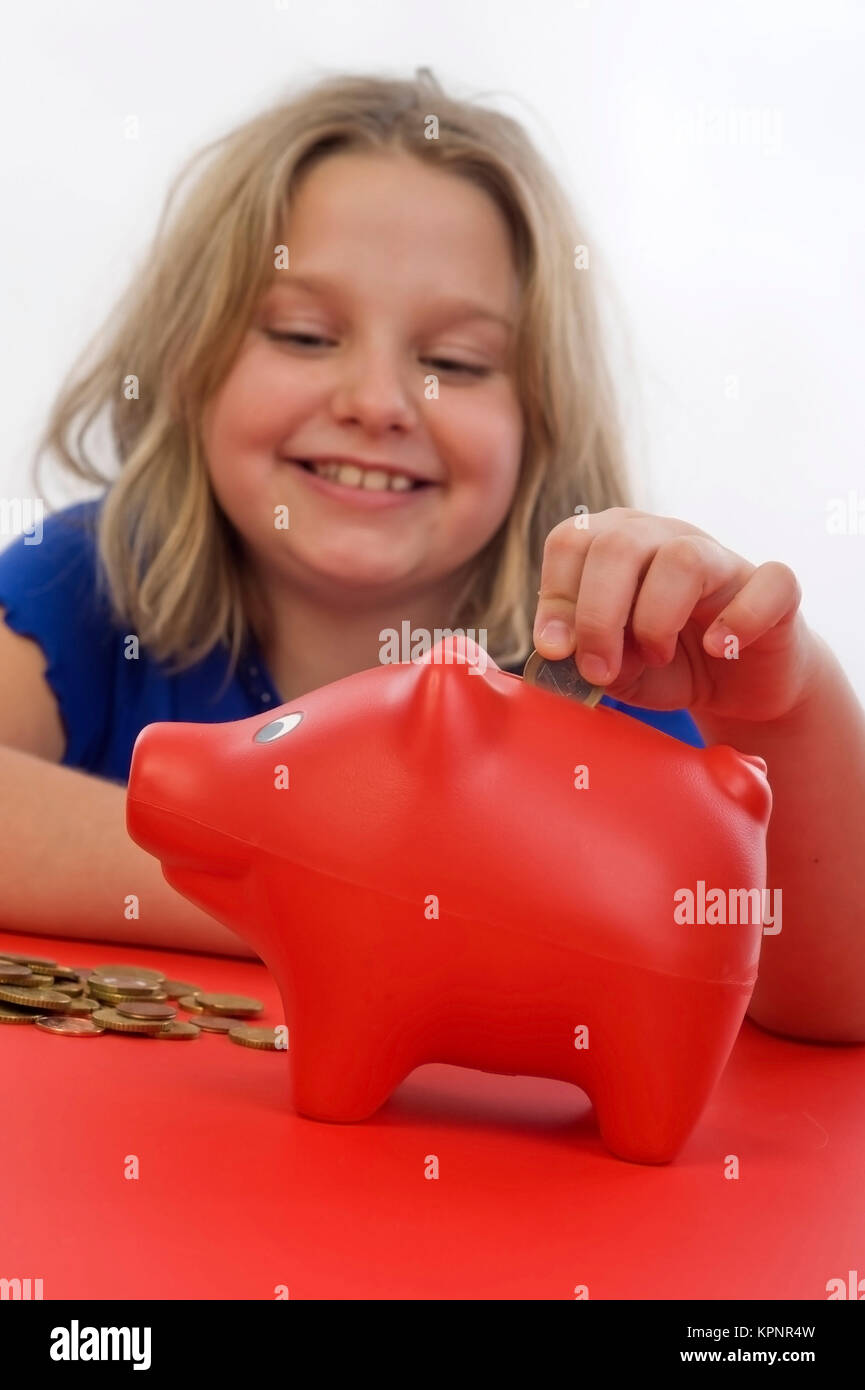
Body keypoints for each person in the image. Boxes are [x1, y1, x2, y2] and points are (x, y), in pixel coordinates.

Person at [0, 71, 862, 1042]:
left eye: (453, 362)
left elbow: (827, 997)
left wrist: (788, 706)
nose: (378, 400)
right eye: (304, 333)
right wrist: (322, 893)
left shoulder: (621, 661)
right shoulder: (88, 578)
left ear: (540, 427)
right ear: (187, 368)